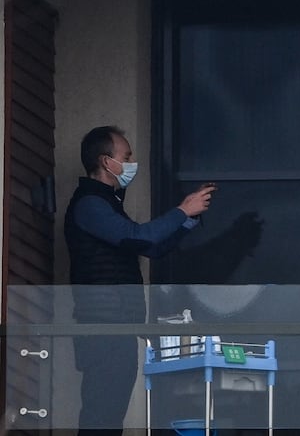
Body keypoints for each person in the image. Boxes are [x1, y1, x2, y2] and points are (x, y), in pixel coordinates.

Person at [64, 125, 216, 436]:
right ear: (107, 162)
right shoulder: (90, 203)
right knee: (101, 414)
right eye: (127, 156)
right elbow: (138, 236)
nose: (132, 163)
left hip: (118, 326)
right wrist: (181, 210)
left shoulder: (107, 202)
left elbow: (149, 246)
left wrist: (187, 221)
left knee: (110, 413)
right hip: (101, 326)